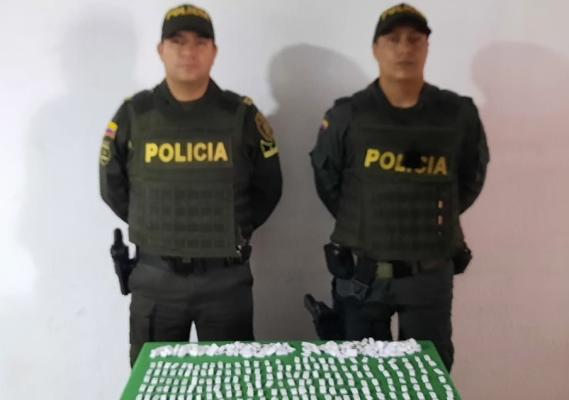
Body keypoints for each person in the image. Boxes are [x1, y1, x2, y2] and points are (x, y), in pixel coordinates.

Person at [99, 4, 282, 365]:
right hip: (156, 280)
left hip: (224, 281)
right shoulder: (134, 115)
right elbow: (112, 188)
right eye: (177, 41)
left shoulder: (242, 116)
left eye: (200, 42)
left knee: (231, 384)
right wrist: (157, 228)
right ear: (160, 50)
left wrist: (230, 231)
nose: (188, 51)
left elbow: (269, 188)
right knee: (157, 385)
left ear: (214, 51)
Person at [309, 3, 489, 371]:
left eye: (414, 39)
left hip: (428, 276)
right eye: (393, 39)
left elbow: (469, 181)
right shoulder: (346, 115)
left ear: (427, 47)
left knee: (427, 379)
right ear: (376, 48)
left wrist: (426, 217)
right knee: (361, 381)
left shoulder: (458, 114)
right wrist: (368, 221)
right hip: (363, 274)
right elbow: (328, 183)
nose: (404, 48)